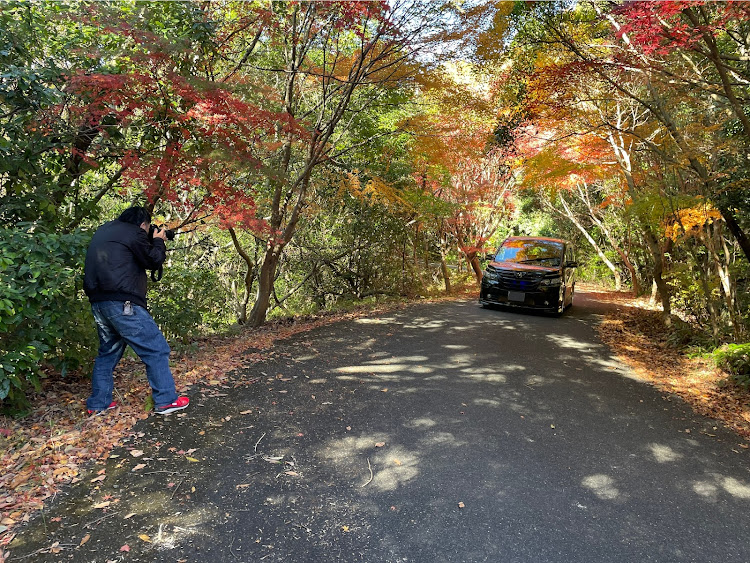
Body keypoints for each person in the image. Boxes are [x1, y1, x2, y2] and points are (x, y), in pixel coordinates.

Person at [83, 206, 189, 415]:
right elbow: (153, 260)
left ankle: (98, 404)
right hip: (123, 303)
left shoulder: (105, 230)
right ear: (143, 224)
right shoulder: (134, 233)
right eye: (148, 228)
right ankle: (166, 400)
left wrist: (151, 239)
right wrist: (158, 241)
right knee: (156, 348)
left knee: (107, 353)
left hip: (99, 303)